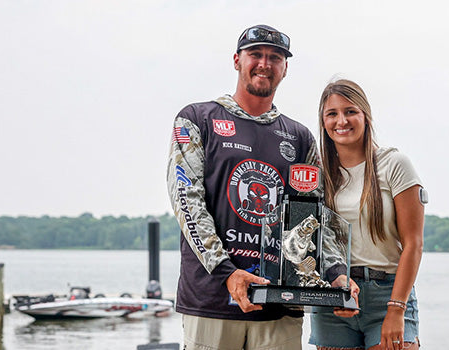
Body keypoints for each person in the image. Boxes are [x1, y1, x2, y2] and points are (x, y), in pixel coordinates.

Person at [166, 24, 355, 350]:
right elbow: (187, 201)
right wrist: (228, 273)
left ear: (285, 68)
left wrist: (336, 273)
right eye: (256, 54)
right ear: (237, 60)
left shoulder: (300, 138)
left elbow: (313, 218)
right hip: (213, 299)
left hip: (280, 306)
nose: (265, 64)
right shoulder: (197, 119)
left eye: (275, 57)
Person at [309, 79, 427, 350]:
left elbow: (414, 244)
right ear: (323, 122)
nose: (342, 120)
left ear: (365, 115)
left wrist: (396, 309)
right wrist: (335, 287)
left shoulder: (394, 164)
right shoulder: (318, 175)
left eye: (350, 111)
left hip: (388, 293)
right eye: (332, 113)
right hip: (334, 296)